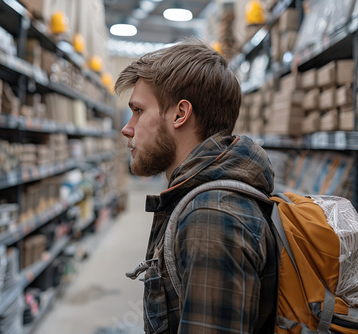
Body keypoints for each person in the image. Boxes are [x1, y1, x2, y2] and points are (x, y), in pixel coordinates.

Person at [115, 38, 278, 333]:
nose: (127, 127)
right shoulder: (198, 199)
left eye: (138, 110)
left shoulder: (213, 216)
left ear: (180, 114)